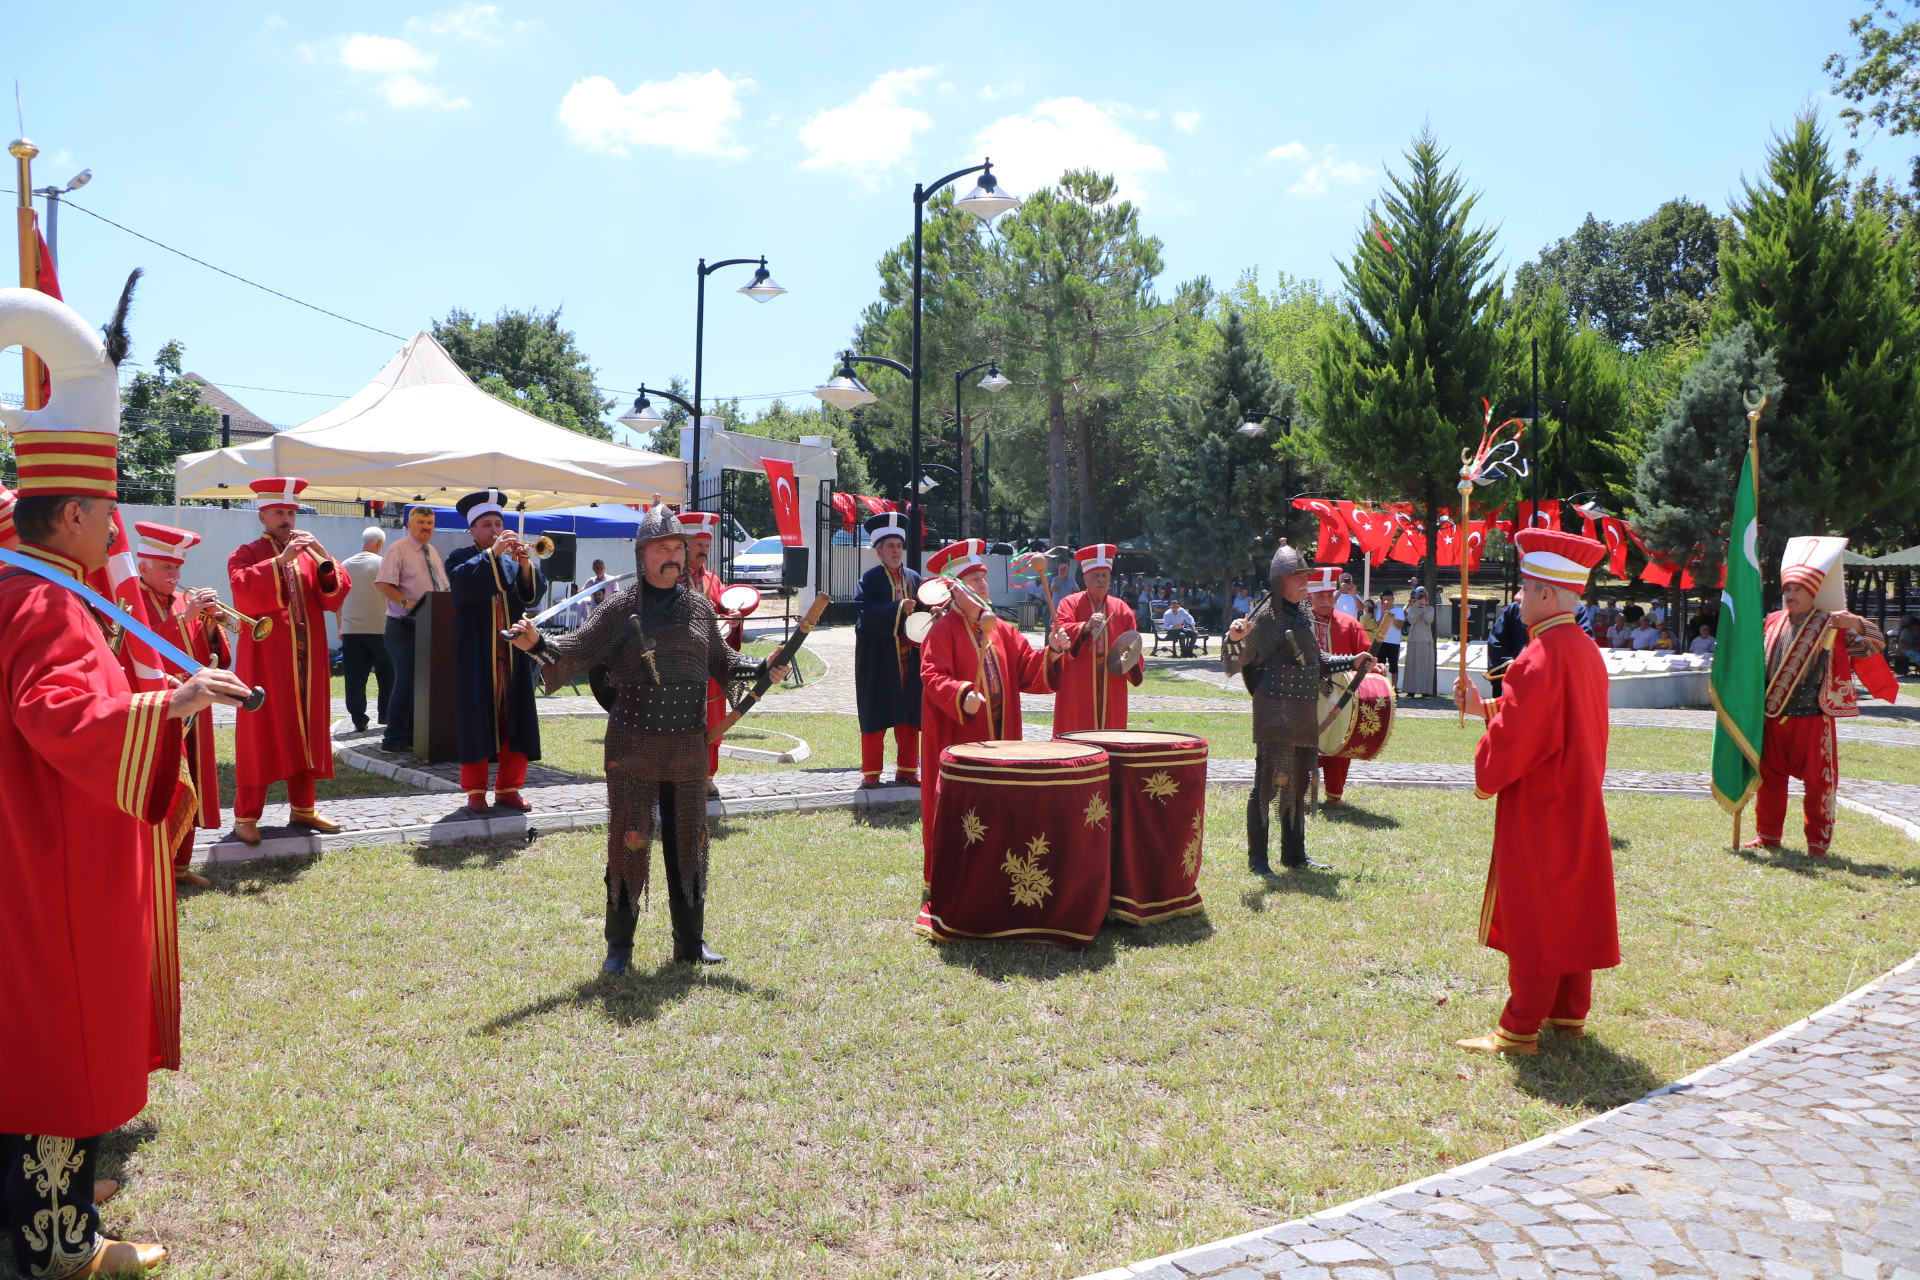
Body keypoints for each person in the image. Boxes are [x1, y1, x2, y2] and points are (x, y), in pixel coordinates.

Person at [0, 282, 253, 1276]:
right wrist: (169, 708)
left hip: (36, 845)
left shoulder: (31, 589)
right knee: (57, 1041)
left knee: (33, 1036)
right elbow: (61, 713)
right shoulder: (42, 604)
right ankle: (58, 1243)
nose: (117, 530)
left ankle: (50, 1207)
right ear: (71, 513)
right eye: (106, 511)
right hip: (56, 858)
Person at [510, 504, 775, 972]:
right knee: (630, 840)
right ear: (642, 554)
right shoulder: (619, 609)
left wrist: (761, 668)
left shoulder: (697, 605)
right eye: (662, 549)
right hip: (634, 742)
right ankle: (620, 948)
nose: (672, 556)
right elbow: (576, 649)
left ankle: (690, 942)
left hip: (689, 742)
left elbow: (722, 662)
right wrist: (538, 644)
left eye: (678, 547)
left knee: (690, 839)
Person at [1452, 529, 1615, 1055]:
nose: (1519, 597)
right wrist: (1485, 708)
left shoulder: (1538, 656)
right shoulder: (1585, 651)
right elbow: (1553, 721)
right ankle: (1568, 1013)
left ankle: (1519, 1027)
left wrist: (1486, 752)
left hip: (1542, 805)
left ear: (1547, 593)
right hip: (1578, 799)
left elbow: (1520, 739)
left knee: (1537, 908)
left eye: (1525, 587)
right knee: (1572, 902)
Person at [1224, 546, 1378, 873]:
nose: (1305, 581)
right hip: (1275, 709)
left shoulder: (1302, 613)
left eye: (1306, 575)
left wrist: (1352, 660)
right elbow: (1233, 662)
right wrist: (1233, 638)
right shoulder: (1265, 617)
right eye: (1298, 576)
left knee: (1299, 783)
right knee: (1270, 782)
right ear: (1281, 581)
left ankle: (1294, 855)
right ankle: (1258, 860)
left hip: (1303, 710)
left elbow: (1317, 660)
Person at [917, 538, 1063, 883]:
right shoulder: (942, 630)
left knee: (1003, 803)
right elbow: (932, 675)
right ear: (956, 593)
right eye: (974, 582)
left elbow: (1028, 667)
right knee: (967, 806)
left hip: (1004, 731)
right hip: (964, 735)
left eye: (984, 579)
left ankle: (1003, 867)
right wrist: (961, 692)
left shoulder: (1003, 630)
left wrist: (1052, 652)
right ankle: (962, 875)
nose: (983, 586)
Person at [1745, 537, 1893, 860]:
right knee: (1769, 780)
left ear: (1813, 593)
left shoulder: (1832, 624)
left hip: (1813, 717)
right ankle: (1767, 835)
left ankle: (1817, 845)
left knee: (1819, 784)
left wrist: (1855, 622)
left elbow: (1876, 644)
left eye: (1798, 590)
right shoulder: (1771, 622)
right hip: (1772, 717)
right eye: (1787, 589)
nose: (1791, 595)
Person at [229, 477, 351, 845]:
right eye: (279, 512)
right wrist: (280, 562)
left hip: (307, 660)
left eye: (291, 512)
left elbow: (335, 595)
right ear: (262, 515)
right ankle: (246, 816)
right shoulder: (246, 552)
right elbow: (243, 593)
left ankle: (304, 808)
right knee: (261, 733)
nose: (287, 519)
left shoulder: (309, 553)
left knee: (308, 731)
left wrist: (322, 554)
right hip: (267, 661)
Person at [128, 522, 232, 888]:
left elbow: (209, 658)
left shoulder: (181, 600)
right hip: (159, 707)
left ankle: (180, 867)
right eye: (167, 567)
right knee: (164, 785)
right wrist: (184, 619)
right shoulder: (130, 601)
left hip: (192, 705)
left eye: (178, 568)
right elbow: (139, 651)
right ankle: (154, 868)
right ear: (143, 568)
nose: (175, 575)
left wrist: (207, 626)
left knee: (194, 784)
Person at [447, 490, 545, 813]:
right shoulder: (459, 558)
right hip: (477, 656)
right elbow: (462, 585)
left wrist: (525, 562)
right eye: (487, 524)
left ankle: (509, 788)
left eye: (498, 524)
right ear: (472, 530)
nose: (494, 530)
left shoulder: (512, 561)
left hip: (513, 656)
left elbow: (531, 596)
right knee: (477, 718)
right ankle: (476, 791)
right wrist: (494, 553)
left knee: (516, 719)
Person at [853, 512, 923, 788]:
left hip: (910, 657)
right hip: (879, 658)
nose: (896, 551)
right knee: (877, 710)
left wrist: (935, 610)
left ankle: (907, 769)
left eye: (899, 546)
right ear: (879, 550)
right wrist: (896, 608)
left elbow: (925, 609)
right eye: (890, 546)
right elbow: (864, 610)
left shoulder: (914, 577)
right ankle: (871, 773)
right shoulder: (869, 579)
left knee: (910, 713)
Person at [1048, 543, 1144, 734]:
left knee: (1111, 731)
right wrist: (1085, 626)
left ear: (1110, 579)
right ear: (1085, 579)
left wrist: (1130, 658)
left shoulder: (1122, 609)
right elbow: (1061, 630)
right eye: (1095, 575)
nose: (1101, 580)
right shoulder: (1070, 603)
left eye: (1104, 575)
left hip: (1112, 680)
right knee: (1077, 729)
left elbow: (1133, 645)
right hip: (1078, 679)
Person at [374, 504, 447, 754]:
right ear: (409, 524)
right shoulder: (398, 550)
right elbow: (383, 584)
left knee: (423, 684)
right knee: (405, 682)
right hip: (402, 627)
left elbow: (441, 587)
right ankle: (393, 739)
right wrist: (406, 602)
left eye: (430, 524)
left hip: (427, 627)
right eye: (421, 523)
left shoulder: (432, 551)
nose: (426, 527)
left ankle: (415, 736)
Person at [1306, 567, 1375, 805]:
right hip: (1306, 696)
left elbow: (1364, 656)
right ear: (1310, 597)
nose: (1325, 601)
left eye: (1329, 596)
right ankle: (1301, 792)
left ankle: (1335, 795)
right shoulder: (1301, 625)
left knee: (1340, 741)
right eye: (1320, 597)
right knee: (1305, 745)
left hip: (1340, 696)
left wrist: (1375, 666)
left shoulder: (1350, 623)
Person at [679, 510, 738, 788]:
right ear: (685, 546)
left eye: (707, 545)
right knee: (681, 721)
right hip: (681, 664)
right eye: (699, 544)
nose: (704, 550)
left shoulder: (714, 580)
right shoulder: (671, 580)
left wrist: (735, 617)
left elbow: (726, 610)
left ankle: (707, 777)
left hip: (711, 665)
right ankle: (679, 775)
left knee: (713, 719)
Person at [339, 526, 392, 733]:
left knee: (354, 678)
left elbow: (338, 599)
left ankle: (359, 719)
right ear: (379, 544)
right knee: (388, 675)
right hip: (380, 628)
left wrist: (340, 625)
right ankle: (386, 714)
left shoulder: (344, 565)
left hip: (352, 629)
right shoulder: (382, 563)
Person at [1401, 586, 1438, 697]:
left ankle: (1425, 691)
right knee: (1412, 665)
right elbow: (1411, 620)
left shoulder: (1431, 609)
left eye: (1423, 597)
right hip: (1413, 639)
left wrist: (1425, 607)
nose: (1421, 599)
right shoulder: (1412, 609)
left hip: (1426, 640)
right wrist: (1416, 608)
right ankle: (1410, 690)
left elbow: (1428, 620)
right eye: (1419, 597)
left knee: (1425, 666)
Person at [1371, 588, 1404, 685]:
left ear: (1393, 599)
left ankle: (1394, 688)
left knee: (1394, 667)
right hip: (1382, 641)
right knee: (1381, 665)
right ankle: (1382, 685)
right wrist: (1383, 614)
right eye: (1385, 600)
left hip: (1394, 642)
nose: (1387, 602)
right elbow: (1378, 626)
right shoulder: (1380, 612)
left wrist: (1391, 617)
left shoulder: (1398, 611)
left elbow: (1400, 626)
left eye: (1389, 599)